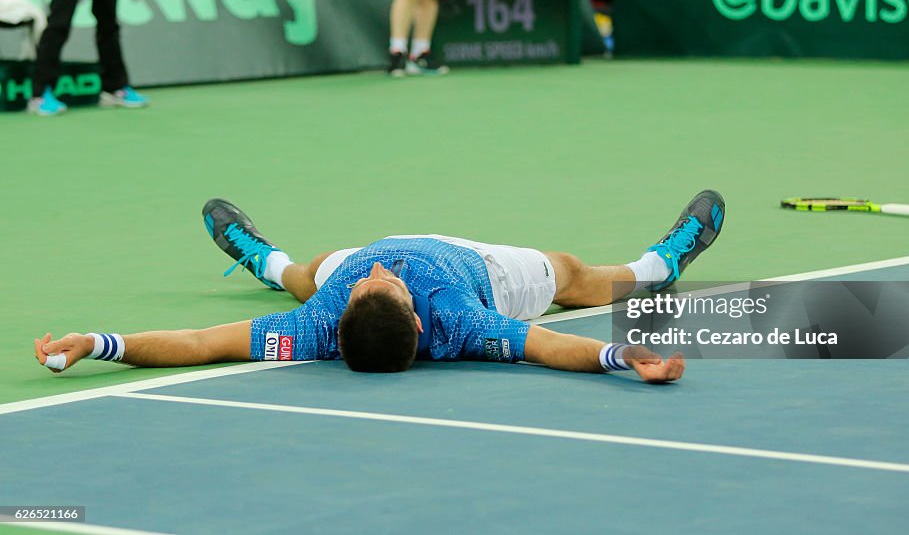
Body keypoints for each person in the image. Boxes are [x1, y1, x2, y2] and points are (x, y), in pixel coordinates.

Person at [34, 190, 726, 383]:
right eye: (380, 283)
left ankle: (263, 259)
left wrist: (100, 341)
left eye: (372, 283)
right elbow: (547, 345)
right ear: (420, 321)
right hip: (479, 271)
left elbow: (195, 341)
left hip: (358, 282)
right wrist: (619, 356)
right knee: (573, 276)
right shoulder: (463, 320)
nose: (376, 270)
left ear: (339, 322)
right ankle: (663, 263)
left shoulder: (324, 313)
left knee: (312, 273)